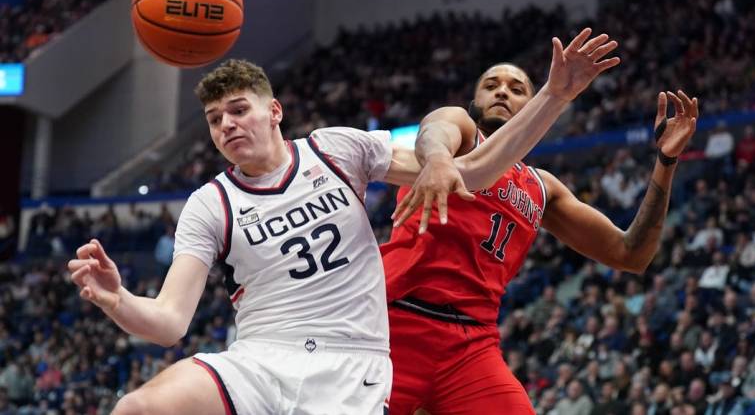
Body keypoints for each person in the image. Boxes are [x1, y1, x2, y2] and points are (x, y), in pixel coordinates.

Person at [64, 28, 615, 415]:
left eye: (238, 110)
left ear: (273, 111)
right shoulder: (210, 203)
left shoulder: (335, 151)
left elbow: (473, 171)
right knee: (140, 408)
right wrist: (118, 300)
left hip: (351, 372)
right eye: (214, 120)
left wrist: (553, 97)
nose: (226, 125)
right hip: (259, 358)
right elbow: (168, 322)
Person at [382, 41, 698, 414]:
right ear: (474, 103)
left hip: (470, 344)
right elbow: (435, 129)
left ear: (534, 109)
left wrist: (666, 161)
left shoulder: (542, 188)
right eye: (491, 85)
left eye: (517, 89)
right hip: (394, 323)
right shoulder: (463, 133)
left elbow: (631, 254)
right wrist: (436, 159)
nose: (502, 91)